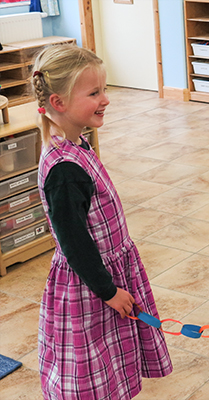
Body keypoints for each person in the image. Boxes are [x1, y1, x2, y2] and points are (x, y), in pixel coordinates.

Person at [32, 44, 172, 399]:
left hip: (106, 274)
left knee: (110, 355)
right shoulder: (64, 171)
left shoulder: (78, 144)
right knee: (89, 362)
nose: (106, 99)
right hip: (89, 285)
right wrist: (108, 291)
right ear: (58, 102)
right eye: (94, 93)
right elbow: (74, 244)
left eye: (103, 90)